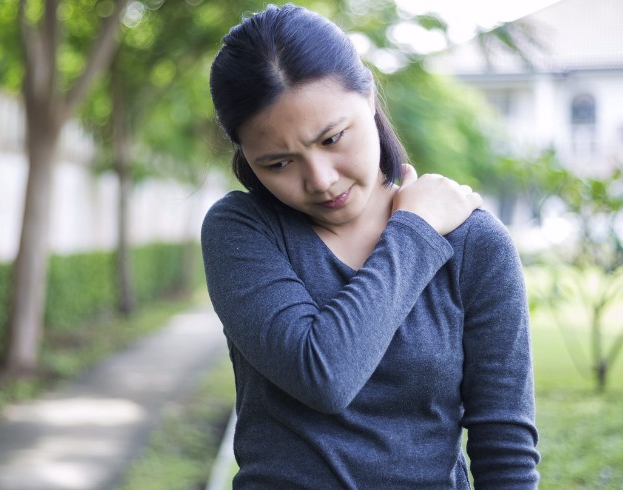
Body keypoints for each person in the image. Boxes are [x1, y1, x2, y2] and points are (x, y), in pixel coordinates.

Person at [201, 4, 539, 488]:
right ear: (247, 158)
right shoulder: (243, 231)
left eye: (333, 137)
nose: (320, 179)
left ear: (369, 93)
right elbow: (324, 373)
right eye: (278, 163)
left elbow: (504, 446)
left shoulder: (473, 244)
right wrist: (416, 229)